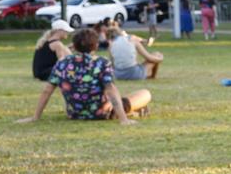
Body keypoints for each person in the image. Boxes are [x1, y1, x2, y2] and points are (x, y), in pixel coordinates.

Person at [17, 28, 149, 125]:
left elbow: (47, 91)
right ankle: (123, 113)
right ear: (96, 46)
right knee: (145, 93)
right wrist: (123, 120)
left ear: (73, 46)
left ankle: (128, 112)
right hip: (101, 112)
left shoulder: (62, 63)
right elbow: (111, 90)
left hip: (75, 114)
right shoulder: (101, 63)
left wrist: (35, 117)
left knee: (124, 99)